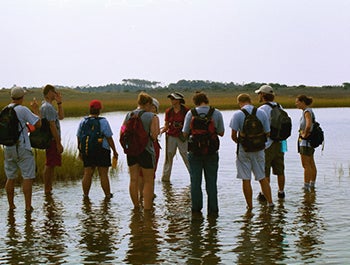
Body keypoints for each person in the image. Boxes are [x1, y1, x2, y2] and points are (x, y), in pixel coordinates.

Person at [182, 91, 225, 216]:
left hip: (194, 152)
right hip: (211, 152)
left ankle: (196, 210)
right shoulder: (216, 113)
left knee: (195, 182)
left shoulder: (191, 113)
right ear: (206, 100)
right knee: (211, 182)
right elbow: (221, 132)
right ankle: (213, 210)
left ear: (195, 102)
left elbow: (185, 134)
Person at [229, 93, 274, 210]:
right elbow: (268, 132)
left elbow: (233, 135)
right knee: (262, 177)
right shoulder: (261, 113)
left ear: (239, 102)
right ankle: (270, 203)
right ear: (250, 100)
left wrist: (242, 143)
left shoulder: (238, 114)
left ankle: (250, 207)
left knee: (246, 179)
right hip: (259, 150)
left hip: (244, 150)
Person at [4, 87, 41, 212]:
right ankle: (27, 206)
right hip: (22, 147)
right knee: (27, 177)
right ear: (22, 97)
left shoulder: (5, 109)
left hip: (8, 147)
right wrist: (35, 109)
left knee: (10, 177)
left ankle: (11, 206)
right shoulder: (23, 110)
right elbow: (38, 124)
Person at [121, 92, 159, 210]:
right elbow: (154, 136)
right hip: (146, 151)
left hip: (131, 151)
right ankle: (147, 210)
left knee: (133, 179)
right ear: (147, 104)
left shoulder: (129, 115)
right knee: (148, 181)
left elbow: (122, 132)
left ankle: (136, 207)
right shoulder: (152, 116)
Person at [77, 100, 118, 199]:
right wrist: (115, 151)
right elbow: (109, 137)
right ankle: (108, 195)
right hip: (102, 150)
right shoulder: (103, 121)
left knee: (87, 173)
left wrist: (80, 150)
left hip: (87, 150)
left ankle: (85, 196)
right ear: (99, 110)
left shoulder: (83, 121)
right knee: (103, 174)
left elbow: (79, 136)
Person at [255, 85, 286, 200]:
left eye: (259, 94)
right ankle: (281, 192)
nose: (258, 96)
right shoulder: (279, 106)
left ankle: (264, 194)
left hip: (267, 144)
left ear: (263, 95)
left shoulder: (262, 109)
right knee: (280, 169)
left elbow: (259, 127)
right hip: (280, 142)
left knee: (265, 171)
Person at [40, 84, 64, 195]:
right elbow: (52, 126)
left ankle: (49, 189)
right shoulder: (47, 107)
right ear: (49, 92)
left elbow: (61, 117)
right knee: (49, 164)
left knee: (52, 164)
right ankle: (47, 189)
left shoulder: (48, 106)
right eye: (54, 92)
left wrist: (59, 103)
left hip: (52, 139)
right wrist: (58, 143)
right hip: (51, 140)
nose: (56, 94)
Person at [161, 92, 190, 182]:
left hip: (182, 137)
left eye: (173, 99)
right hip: (171, 136)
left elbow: (189, 124)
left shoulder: (186, 110)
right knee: (169, 156)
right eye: (171, 99)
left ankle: (193, 176)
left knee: (186, 155)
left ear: (178, 100)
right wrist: (161, 131)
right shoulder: (169, 111)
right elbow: (166, 125)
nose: (172, 101)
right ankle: (165, 179)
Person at [138, 97, 161, 201]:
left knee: (139, 173)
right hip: (151, 146)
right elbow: (155, 135)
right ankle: (149, 194)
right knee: (151, 171)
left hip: (136, 147)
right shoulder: (154, 117)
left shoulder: (135, 115)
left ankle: (141, 195)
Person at [295, 95, 317, 191]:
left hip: (305, 141)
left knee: (306, 164)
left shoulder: (307, 111)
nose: (296, 103)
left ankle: (306, 186)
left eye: (297, 102)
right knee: (311, 162)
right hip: (310, 141)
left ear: (303, 102)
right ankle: (312, 184)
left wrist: (305, 134)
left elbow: (308, 124)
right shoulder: (309, 111)